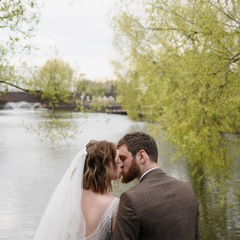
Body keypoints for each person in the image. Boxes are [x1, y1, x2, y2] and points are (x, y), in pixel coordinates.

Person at [111, 131, 200, 240]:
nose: (120, 164)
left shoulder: (131, 199)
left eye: (123, 158)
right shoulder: (187, 190)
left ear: (141, 156)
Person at [33, 140, 121, 240]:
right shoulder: (114, 204)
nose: (121, 165)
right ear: (106, 167)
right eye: (117, 162)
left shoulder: (69, 197)